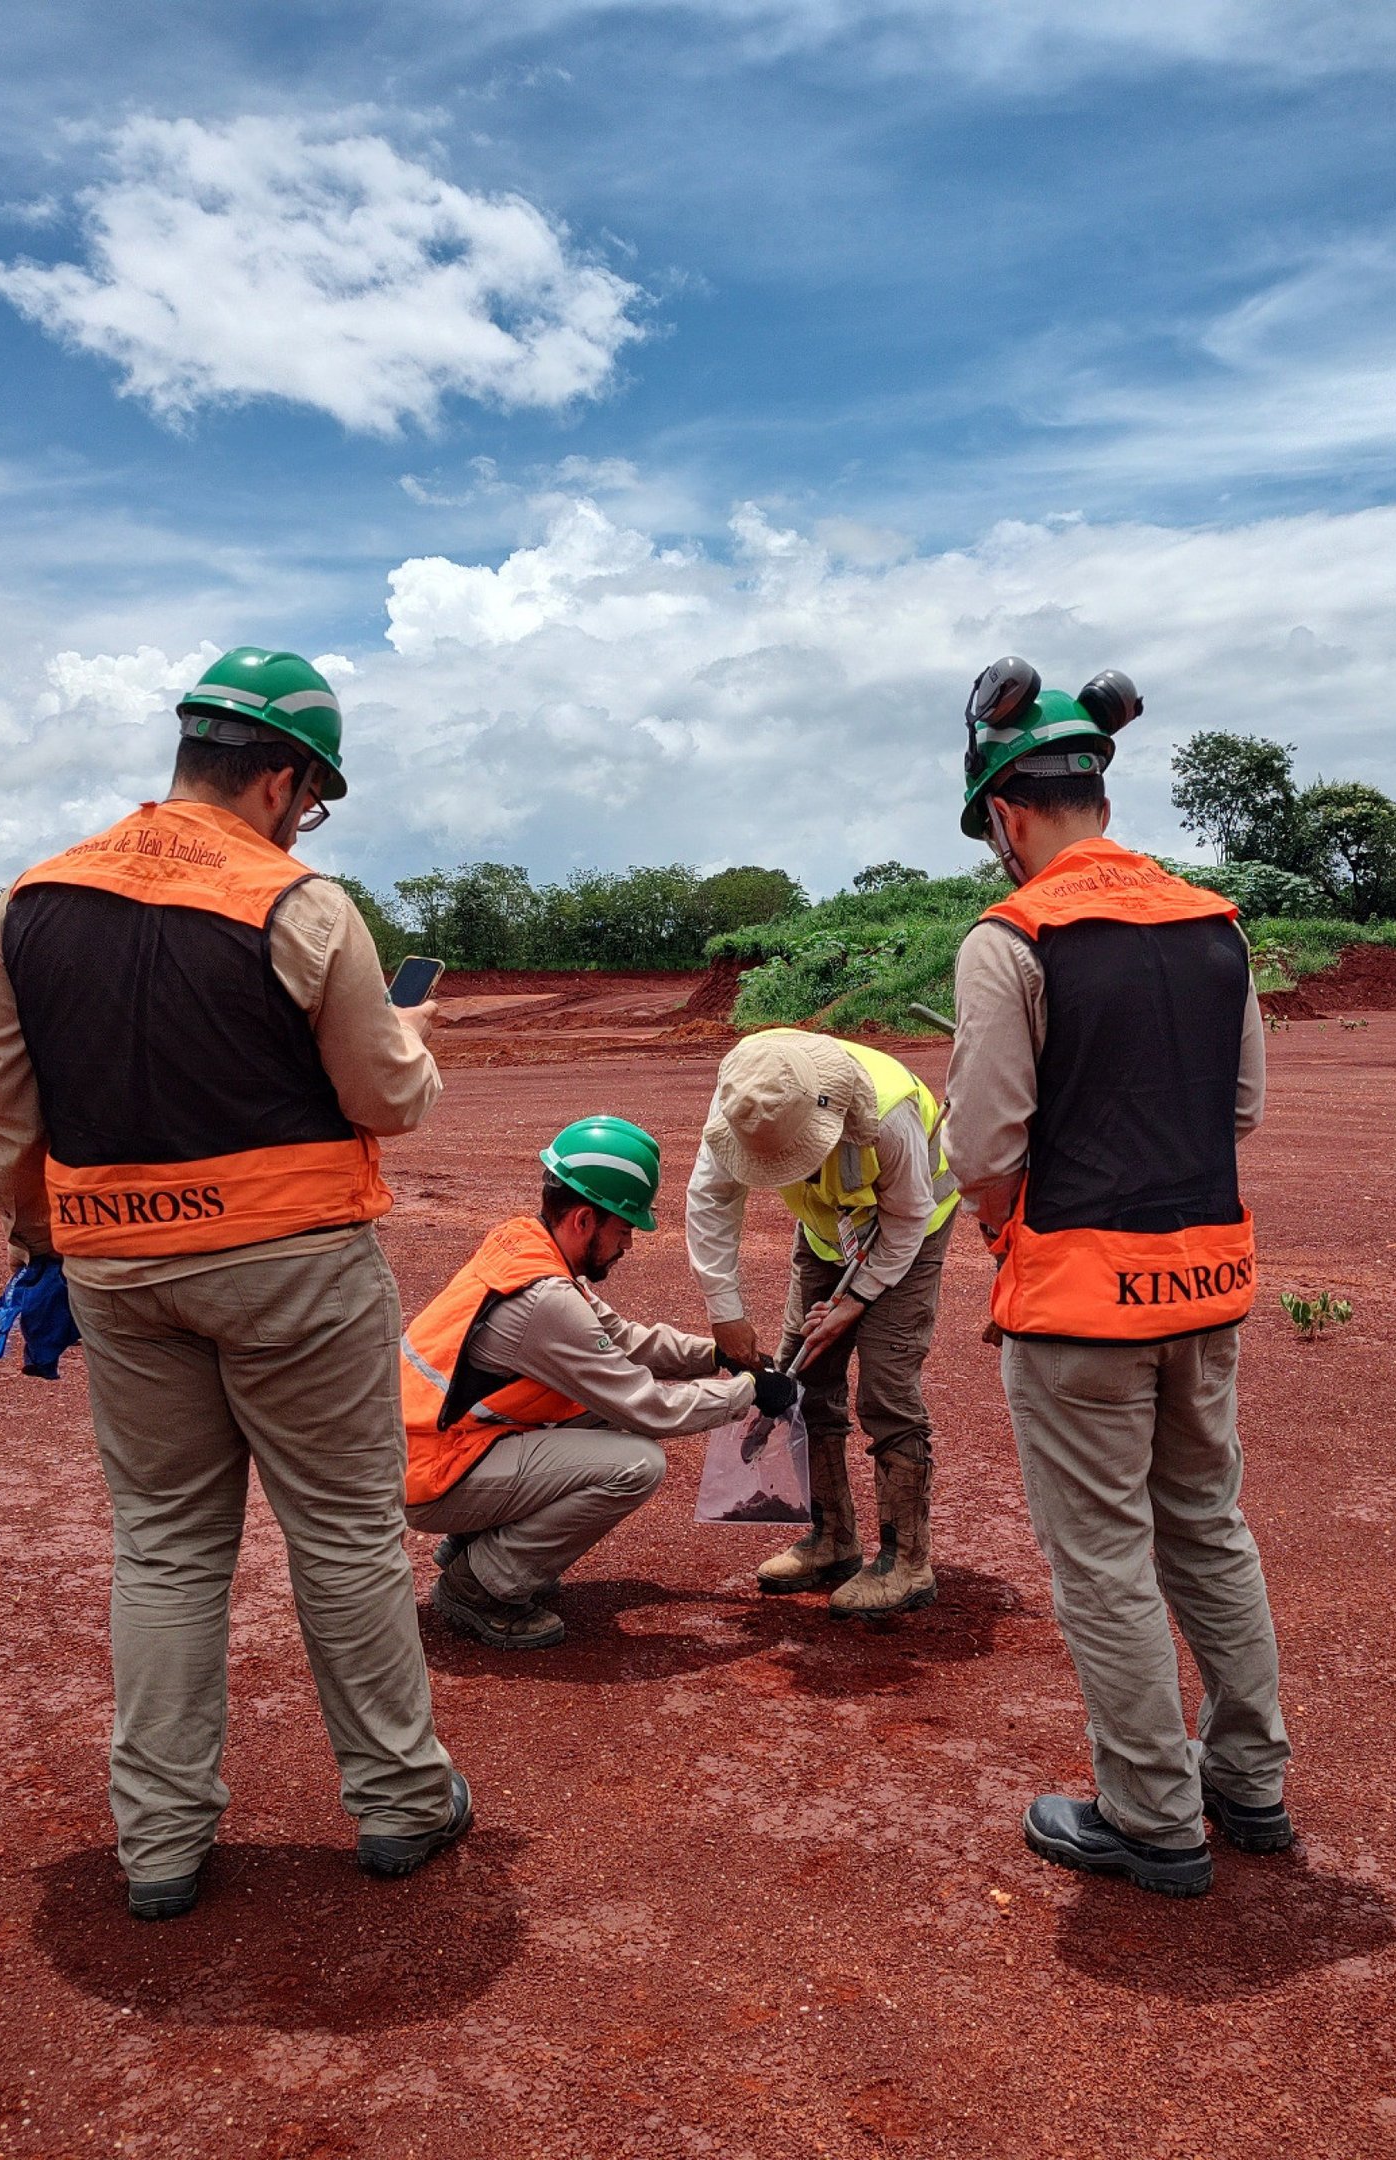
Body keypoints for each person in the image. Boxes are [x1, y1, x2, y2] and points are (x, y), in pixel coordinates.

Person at [0, 648, 469, 1922]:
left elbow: (5, 1112)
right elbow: (386, 1098)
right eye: (310, 796)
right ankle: (401, 1803)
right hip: (291, 1272)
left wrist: (50, 1240)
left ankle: (158, 1844)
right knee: (346, 1537)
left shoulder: (28, 901)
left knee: (164, 1548)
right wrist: (413, 1046)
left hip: (114, 1268)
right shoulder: (299, 905)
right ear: (282, 777)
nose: (305, 815)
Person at [943, 655, 1292, 1898]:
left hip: (1079, 1305)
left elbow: (983, 1147)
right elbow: (1239, 1107)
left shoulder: (1013, 937)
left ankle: (1152, 1814)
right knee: (1208, 1528)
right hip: (1208, 1283)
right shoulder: (1216, 923)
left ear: (1004, 811)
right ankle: (1248, 1780)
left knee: (1102, 1559)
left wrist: (1012, 1238)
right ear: (1093, 786)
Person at [403, 1116, 794, 1648]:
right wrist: (747, 1393)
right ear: (585, 1220)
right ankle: (481, 1585)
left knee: (597, 1415)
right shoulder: (546, 1301)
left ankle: (478, 1540)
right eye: (626, 1226)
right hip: (433, 1477)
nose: (629, 1243)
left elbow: (622, 1339)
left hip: (436, 1449)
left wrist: (717, 1356)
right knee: (635, 1464)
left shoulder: (525, 1245)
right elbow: (647, 1408)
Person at [685, 1028, 959, 1619]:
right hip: (827, 1232)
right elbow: (710, 1201)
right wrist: (727, 1317)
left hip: (908, 1228)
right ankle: (833, 1538)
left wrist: (855, 1301)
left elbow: (909, 1215)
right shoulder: (744, 1099)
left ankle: (907, 1560)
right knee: (802, 1373)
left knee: (886, 1390)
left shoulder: (888, 1115)